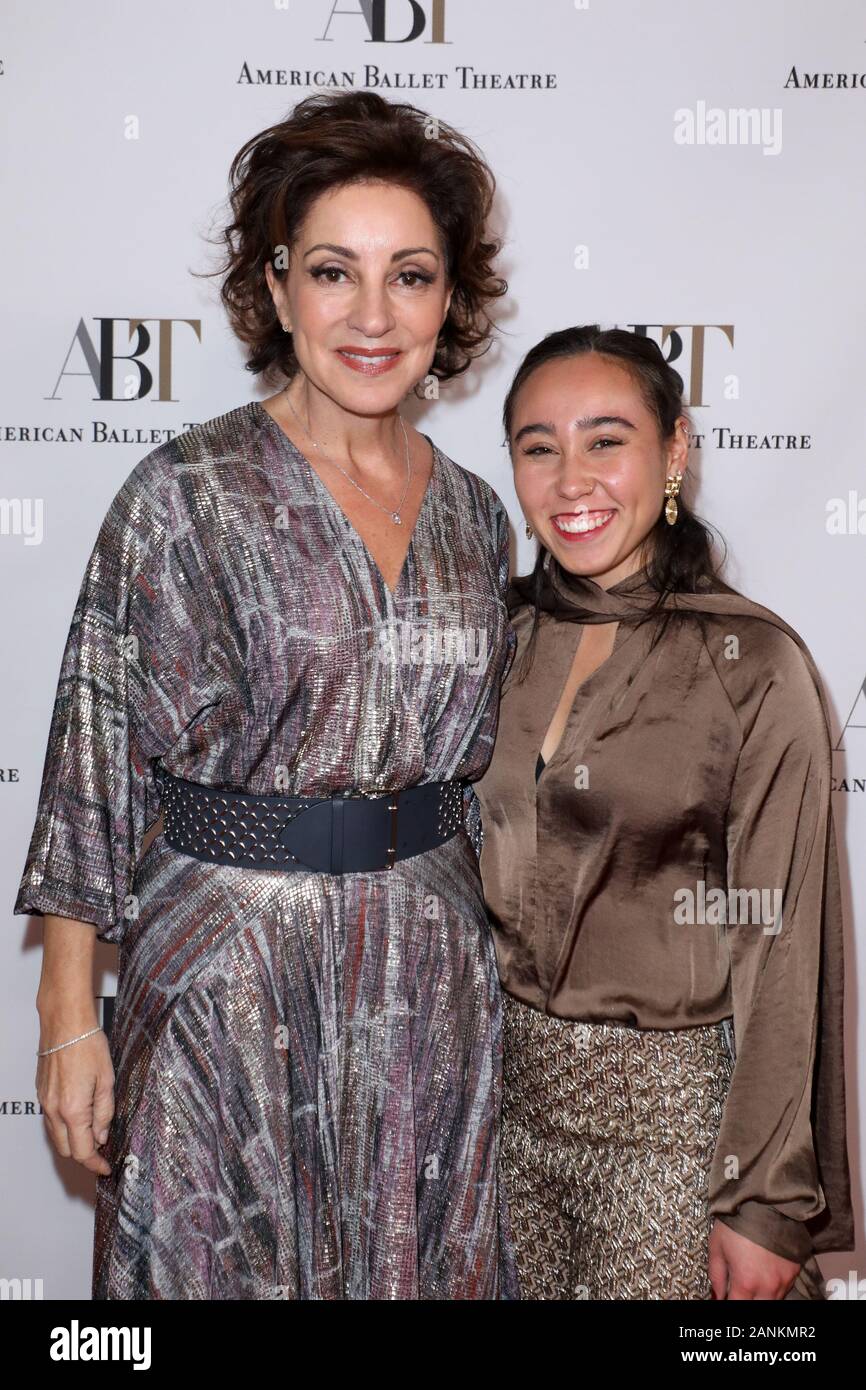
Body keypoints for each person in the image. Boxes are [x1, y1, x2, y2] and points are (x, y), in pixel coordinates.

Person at [14, 89, 520, 1300]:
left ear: (449, 301)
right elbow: (95, 766)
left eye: (410, 275)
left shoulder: (475, 516)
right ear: (276, 284)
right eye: (333, 271)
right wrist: (67, 1017)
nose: (370, 313)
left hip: (427, 975)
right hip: (224, 980)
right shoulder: (182, 494)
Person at [469, 325, 854, 1300]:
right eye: (537, 446)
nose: (570, 479)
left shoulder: (752, 664)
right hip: (502, 1125)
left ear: (674, 450)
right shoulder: (493, 637)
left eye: (606, 440)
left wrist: (761, 1201)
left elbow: (781, 941)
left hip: (674, 1138)